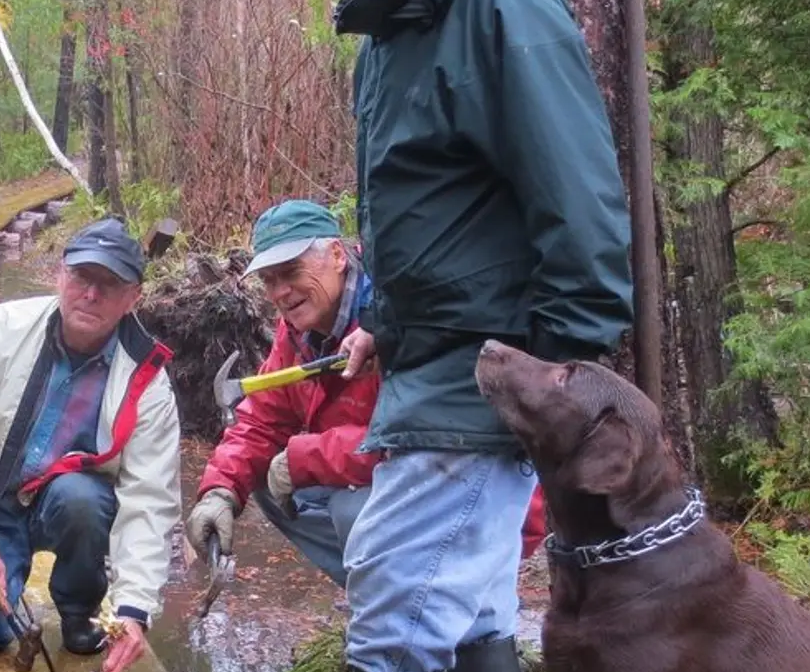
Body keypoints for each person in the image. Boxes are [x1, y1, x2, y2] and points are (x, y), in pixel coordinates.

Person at [211, 0, 635, 672]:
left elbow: (575, 191)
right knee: (474, 585)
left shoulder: (492, 1)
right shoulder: (387, 35)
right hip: (427, 352)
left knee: (397, 562)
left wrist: (564, 364)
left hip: (495, 362)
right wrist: (380, 329)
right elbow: (415, 214)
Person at [187, 201, 551, 587]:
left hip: (479, 500)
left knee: (351, 508)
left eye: (291, 272)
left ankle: (434, 601)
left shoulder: (395, 316)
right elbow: (263, 419)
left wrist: (306, 457)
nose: (280, 292)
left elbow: (419, 441)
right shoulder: (296, 331)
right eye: (269, 280)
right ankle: (385, 596)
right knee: (261, 481)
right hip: (392, 479)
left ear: (338, 256)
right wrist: (219, 491)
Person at [0, 218, 180, 672]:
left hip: (69, 503)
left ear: (133, 298)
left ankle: (80, 607)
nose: (91, 294)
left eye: (110, 284)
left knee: (81, 498)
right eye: (83, 278)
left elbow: (150, 500)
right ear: (60, 276)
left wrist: (135, 607)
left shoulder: (149, 385)